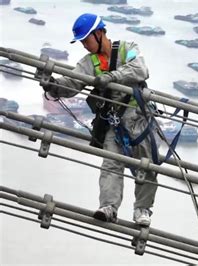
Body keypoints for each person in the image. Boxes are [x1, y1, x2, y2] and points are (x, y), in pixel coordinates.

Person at [41, 13, 160, 227]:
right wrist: (54, 85)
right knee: (111, 164)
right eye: (83, 41)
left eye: (86, 39)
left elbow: (141, 69)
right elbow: (74, 82)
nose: (85, 45)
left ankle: (142, 209)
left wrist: (113, 77)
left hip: (139, 117)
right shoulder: (89, 63)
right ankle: (109, 207)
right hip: (114, 122)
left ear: (99, 33)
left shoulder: (127, 47)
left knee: (146, 164)